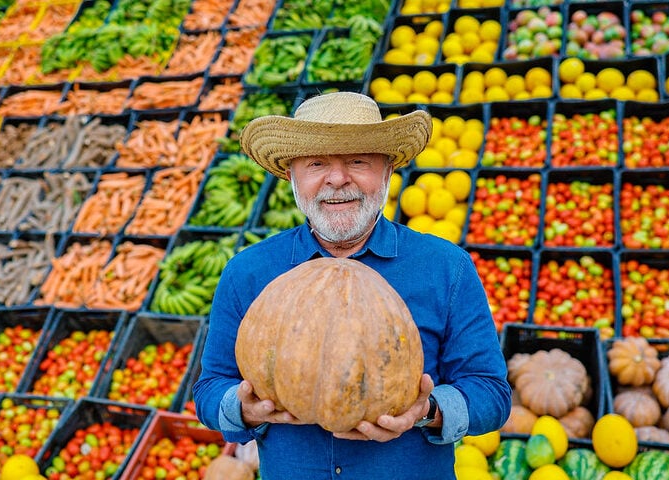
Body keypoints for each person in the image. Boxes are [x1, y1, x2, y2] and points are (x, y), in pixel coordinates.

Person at [192, 91, 511, 479]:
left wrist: (428, 411)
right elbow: (210, 389)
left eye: (358, 161)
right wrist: (241, 409)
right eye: (317, 163)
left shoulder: (447, 267)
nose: (338, 178)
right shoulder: (248, 272)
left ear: (387, 171)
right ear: (293, 176)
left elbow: (492, 394)